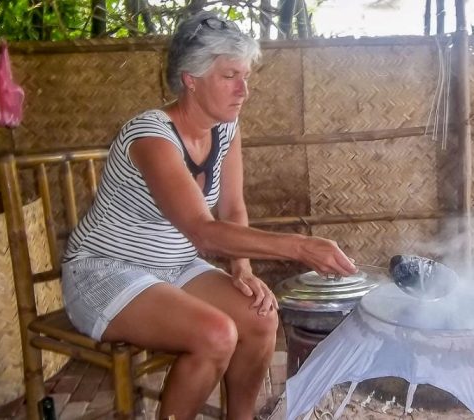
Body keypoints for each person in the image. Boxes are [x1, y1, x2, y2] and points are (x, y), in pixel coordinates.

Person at [61, 10, 356, 420]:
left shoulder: (225, 128)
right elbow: (203, 232)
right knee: (216, 335)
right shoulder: (150, 136)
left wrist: (244, 268)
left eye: (246, 76)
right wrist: (300, 247)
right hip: (106, 271)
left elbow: (232, 208)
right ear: (191, 79)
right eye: (230, 76)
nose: (244, 90)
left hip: (174, 265)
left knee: (260, 318)